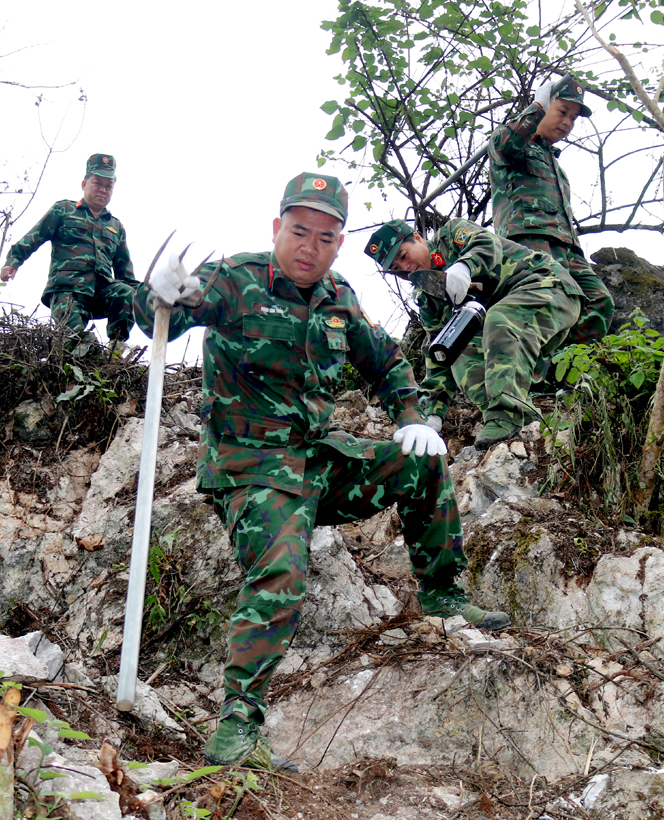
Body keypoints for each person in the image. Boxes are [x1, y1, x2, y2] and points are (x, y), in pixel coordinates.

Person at [132, 173, 508, 771]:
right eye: (299, 231)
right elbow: (166, 315)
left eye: (326, 237)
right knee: (281, 574)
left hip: (319, 459)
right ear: (277, 227)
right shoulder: (236, 278)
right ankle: (237, 725)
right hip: (252, 468)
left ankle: (442, 595)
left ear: (338, 244)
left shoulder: (339, 296)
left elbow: (386, 362)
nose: (310, 246)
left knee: (424, 462)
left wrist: (411, 414)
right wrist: (159, 293)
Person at [365, 219, 582, 449]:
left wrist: (464, 266)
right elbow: (439, 352)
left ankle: (506, 414)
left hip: (548, 287)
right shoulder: (427, 295)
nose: (405, 268)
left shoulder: (450, 236)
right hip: (509, 323)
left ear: (418, 238)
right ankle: (517, 418)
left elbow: (487, 243)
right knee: (459, 355)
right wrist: (433, 414)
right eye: (396, 269)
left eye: (403, 255)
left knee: (500, 319)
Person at [488, 73, 614, 351]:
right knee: (547, 298)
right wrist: (537, 106)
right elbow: (505, 145)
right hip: (529, 242)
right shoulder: (511, 146)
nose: (568, 122)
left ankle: (561, 364)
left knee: (599, 301)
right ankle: (533, 372)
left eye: (574, 117)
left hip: (566, 248)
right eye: (563, 111)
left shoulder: (557, 168)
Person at [0, 153, 136, 350]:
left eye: (108, 186)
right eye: (97, 183)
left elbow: (126, 274)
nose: (103, 190)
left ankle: (116, 350)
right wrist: (13, 261)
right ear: (84, 184)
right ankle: (80, 357)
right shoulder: (63, 210)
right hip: (67, 290)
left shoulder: (116, 226)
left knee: (125, 292)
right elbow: (35, 236)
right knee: (74, 343)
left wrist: (148, 297)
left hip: (100, 292)